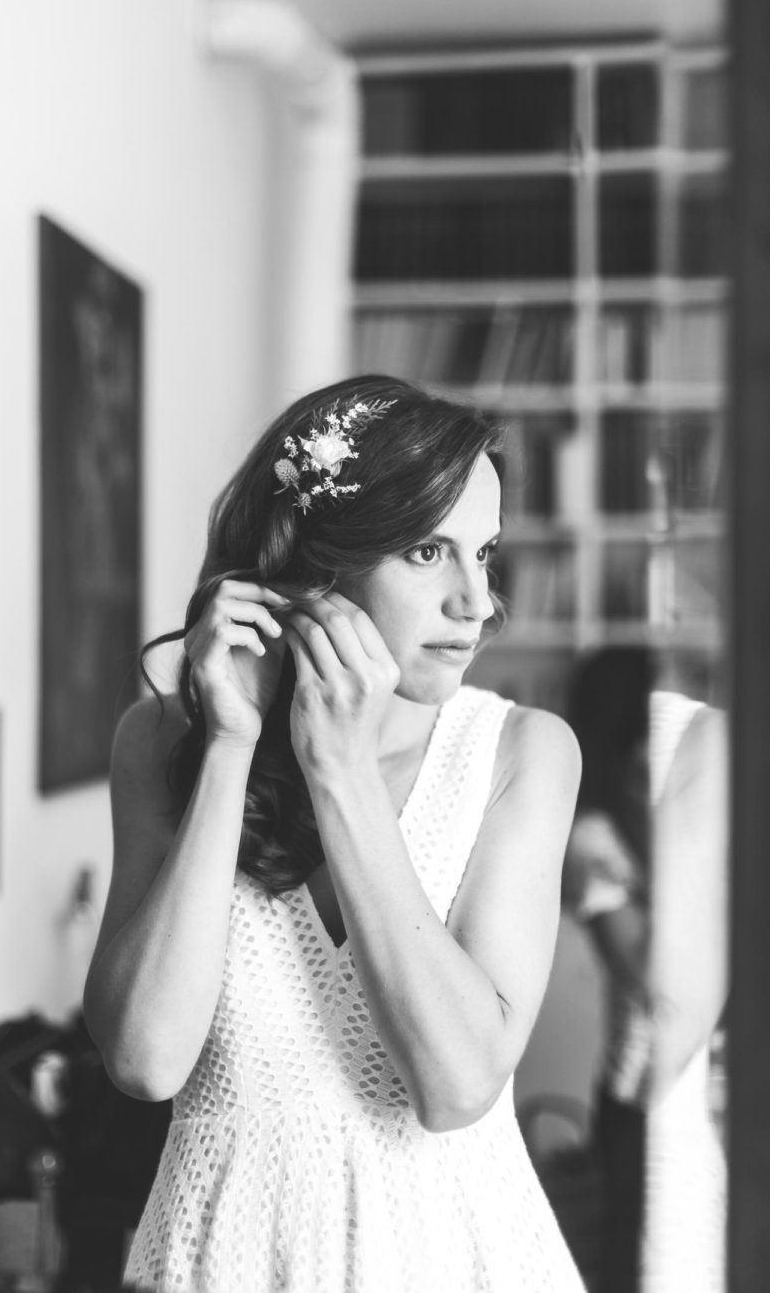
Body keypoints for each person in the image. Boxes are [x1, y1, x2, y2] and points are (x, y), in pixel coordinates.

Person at [83, 374, 585, 1292]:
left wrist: (341, 770)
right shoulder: (159, 742)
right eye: (431, 551)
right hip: (221, 1259)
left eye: (487, 552)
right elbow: (146, 1060)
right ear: (320, 566)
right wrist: (231, 745)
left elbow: (459, 1085)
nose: (478, 602)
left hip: (454, 1256)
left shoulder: (521, 752)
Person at [562, 648, 728, 1293]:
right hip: (639, 1091)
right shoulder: (593, 834)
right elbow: (645, 967)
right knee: (636, 1265)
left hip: (696, 1080)